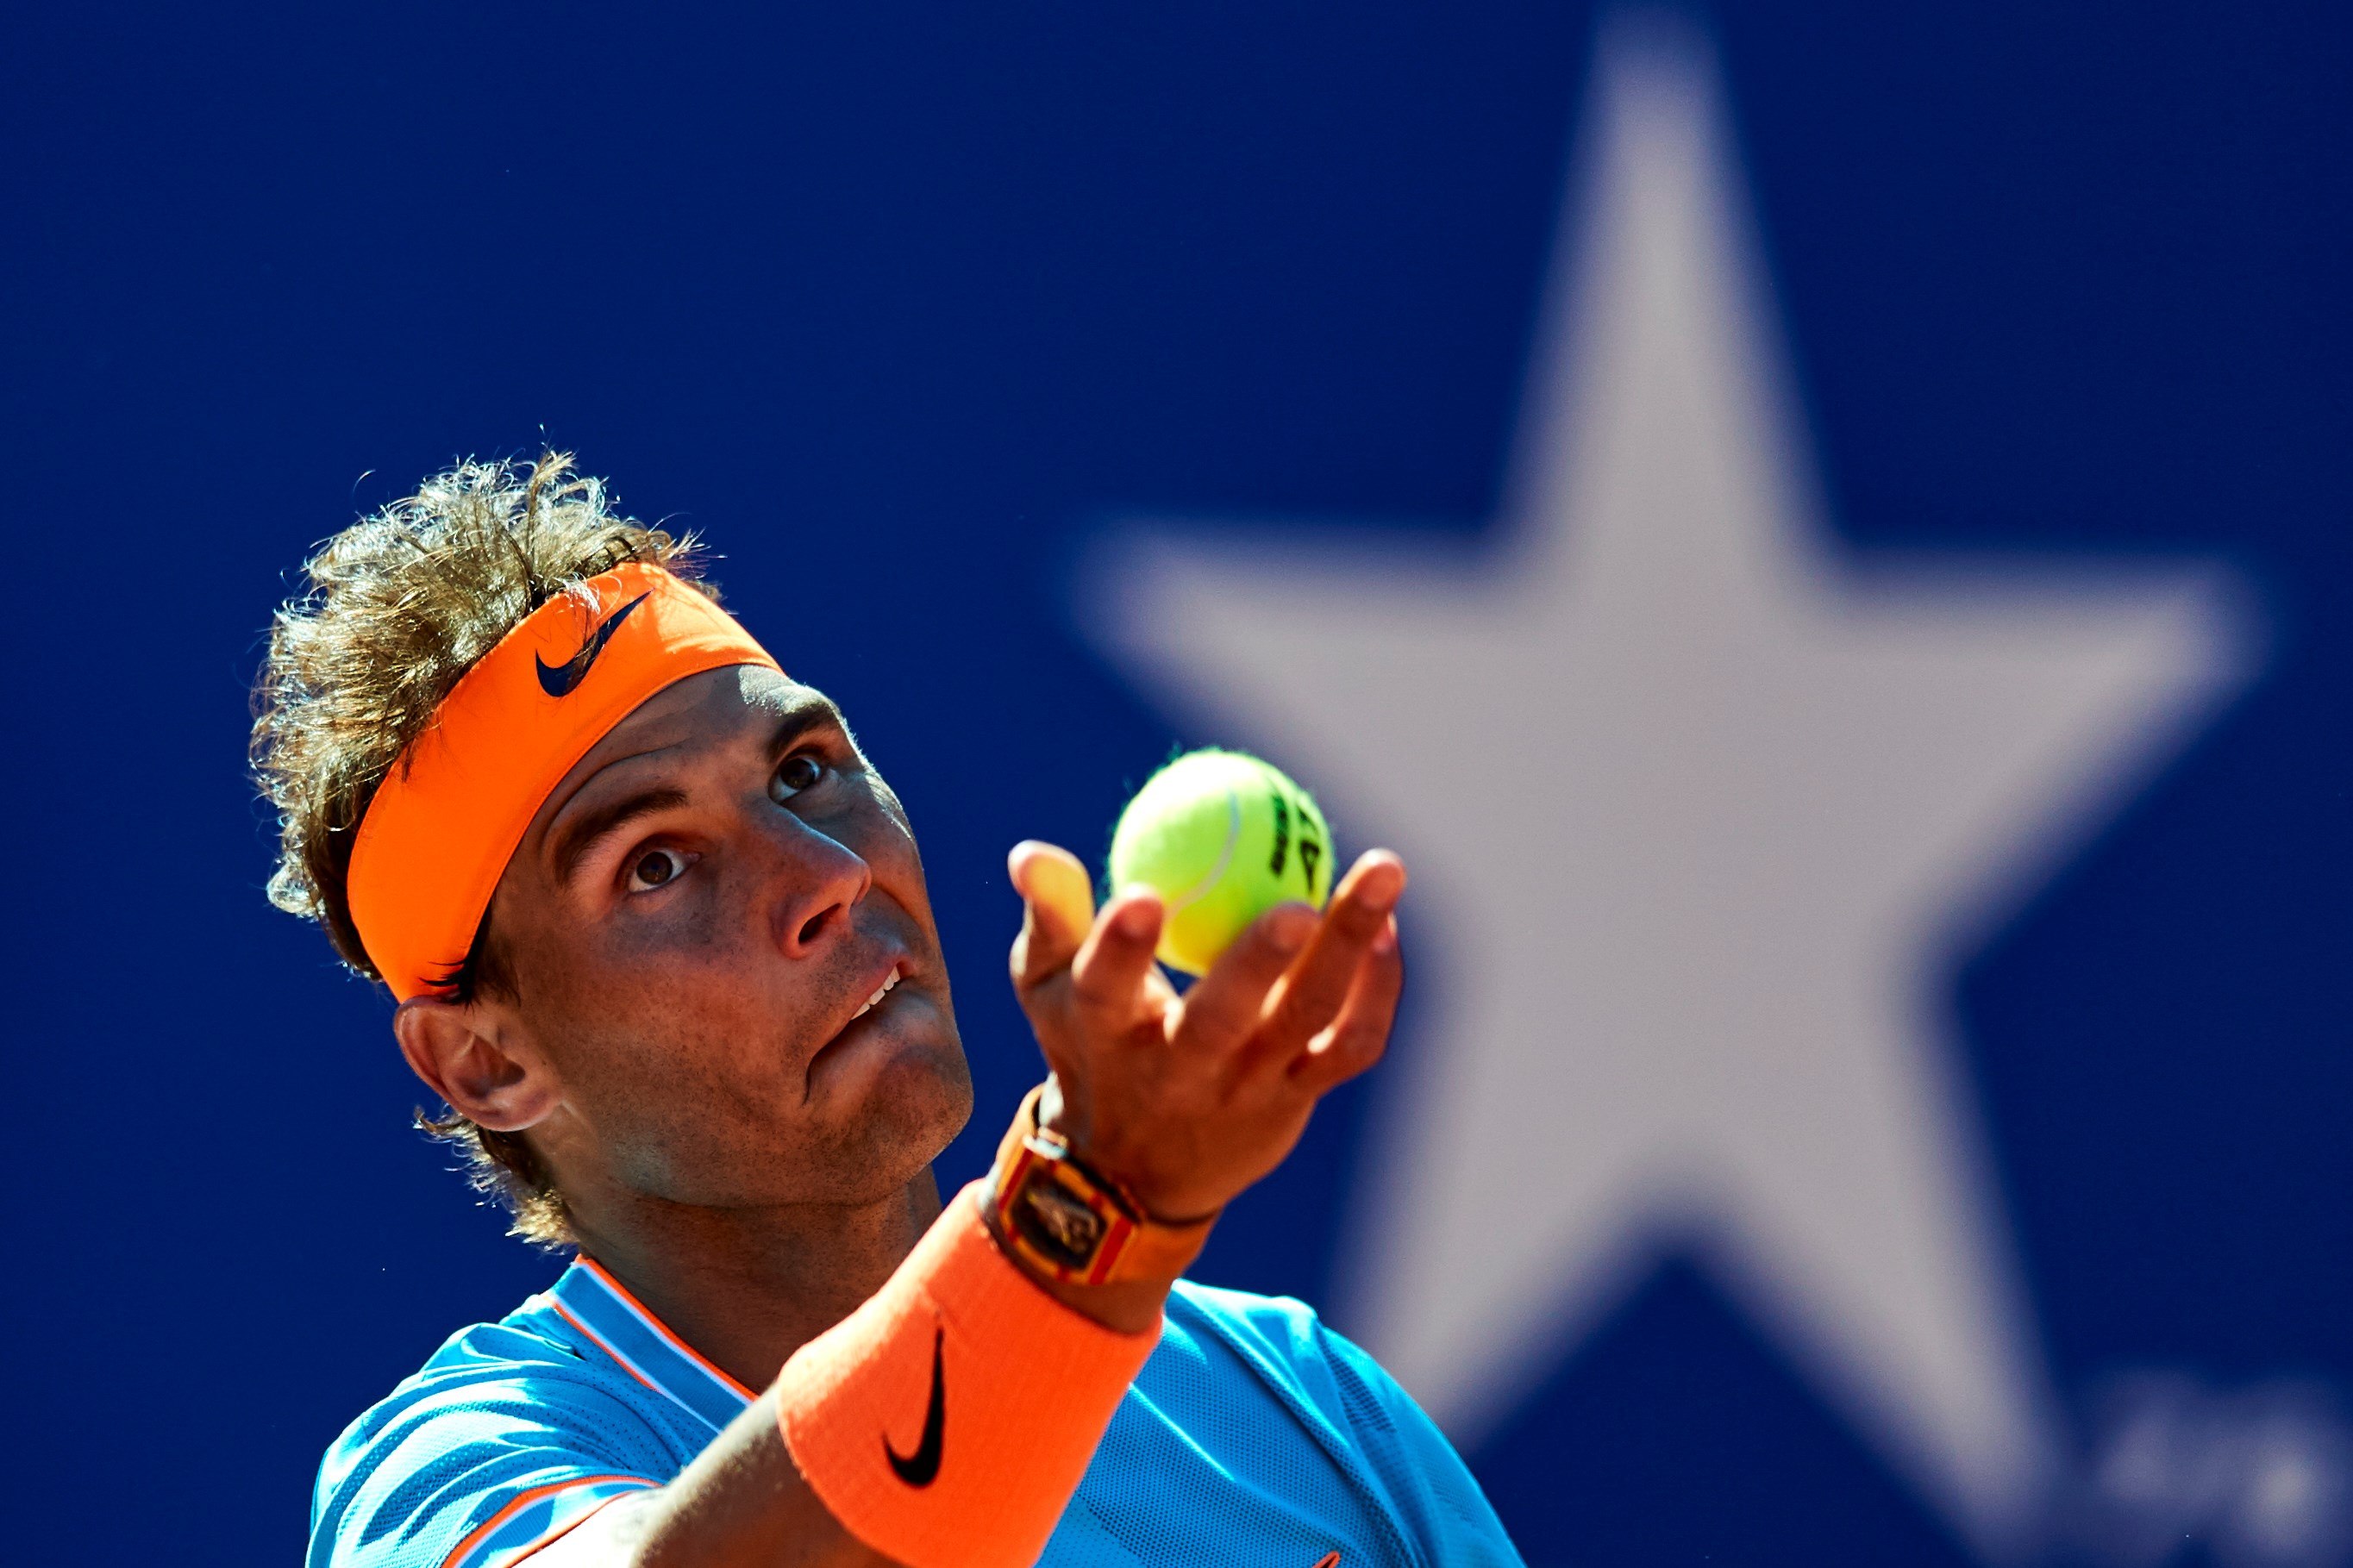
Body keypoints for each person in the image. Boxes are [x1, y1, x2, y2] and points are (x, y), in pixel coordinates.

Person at [256, 453, 1524, 1568]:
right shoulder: (443, 1481)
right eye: (654, 863)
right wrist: (1086, 1216)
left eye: (805, 771)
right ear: (486, 1063)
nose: (824, 874)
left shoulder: (1297, 1407)